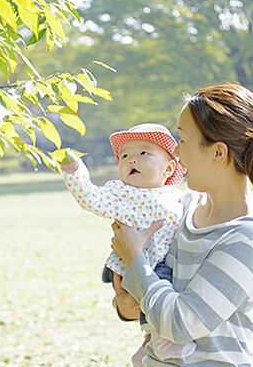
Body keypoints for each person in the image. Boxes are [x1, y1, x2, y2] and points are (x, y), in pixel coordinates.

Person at [110, 83, 253, 366]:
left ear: (217, 153)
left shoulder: (248, 240)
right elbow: (133, 303)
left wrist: (134, 258)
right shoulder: (181, 207)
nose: (175, 150)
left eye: (183, 140)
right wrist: (127, 301)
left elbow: (179, 323)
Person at [61, 123, 197, 365]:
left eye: (144, 153)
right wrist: (75, 172)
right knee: (158, 294)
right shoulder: (122, 194)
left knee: (168, 292)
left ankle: (149, 347)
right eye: (125, 156)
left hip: (163, 261)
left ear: (169, 168)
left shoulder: (179, 195)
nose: (132, 160)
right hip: (135, 266)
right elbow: (90, 197)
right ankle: (160, 342)